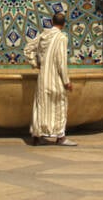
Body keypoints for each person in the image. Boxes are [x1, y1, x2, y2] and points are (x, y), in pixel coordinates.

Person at [24, 12, 77, 146]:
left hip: (43, 78)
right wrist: (66, 81)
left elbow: (28, 49)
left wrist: (35, 64)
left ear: (52, 22)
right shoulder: (61, 37)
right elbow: (61, 61)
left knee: (41, 106)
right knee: (59, 106)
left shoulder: (43, 35)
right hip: (56, 79)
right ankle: (60, 137)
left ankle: (36, 136)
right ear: (63, 24)